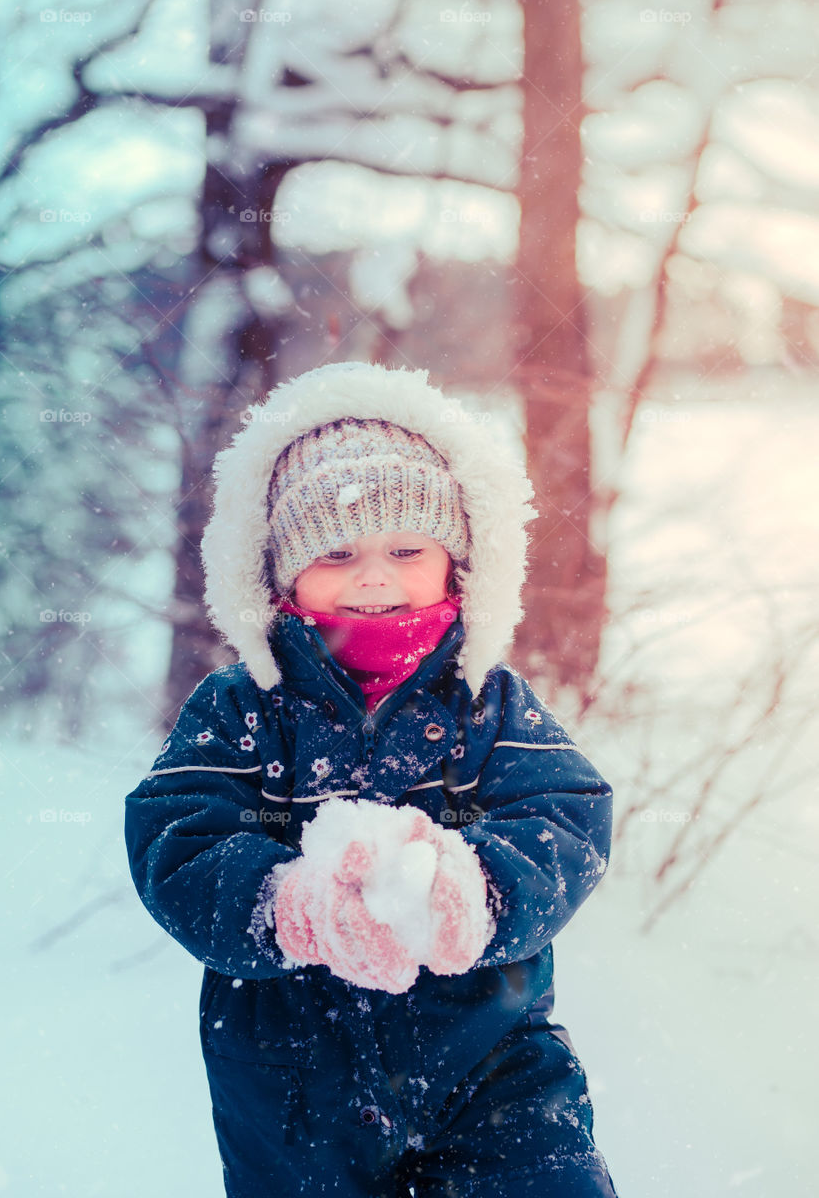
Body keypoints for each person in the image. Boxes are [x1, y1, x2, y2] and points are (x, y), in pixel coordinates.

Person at [124, 360, 619, 1198]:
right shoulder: (244, 708)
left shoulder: (485, 702)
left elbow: (565, 816)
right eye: (338, 552)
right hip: (289, 1077)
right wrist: (283, 904)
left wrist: (480, 889)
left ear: (455, 563)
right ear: (282, 576)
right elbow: (176, 837)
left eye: (405, 548)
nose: (375, 575)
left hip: (490, 1054)